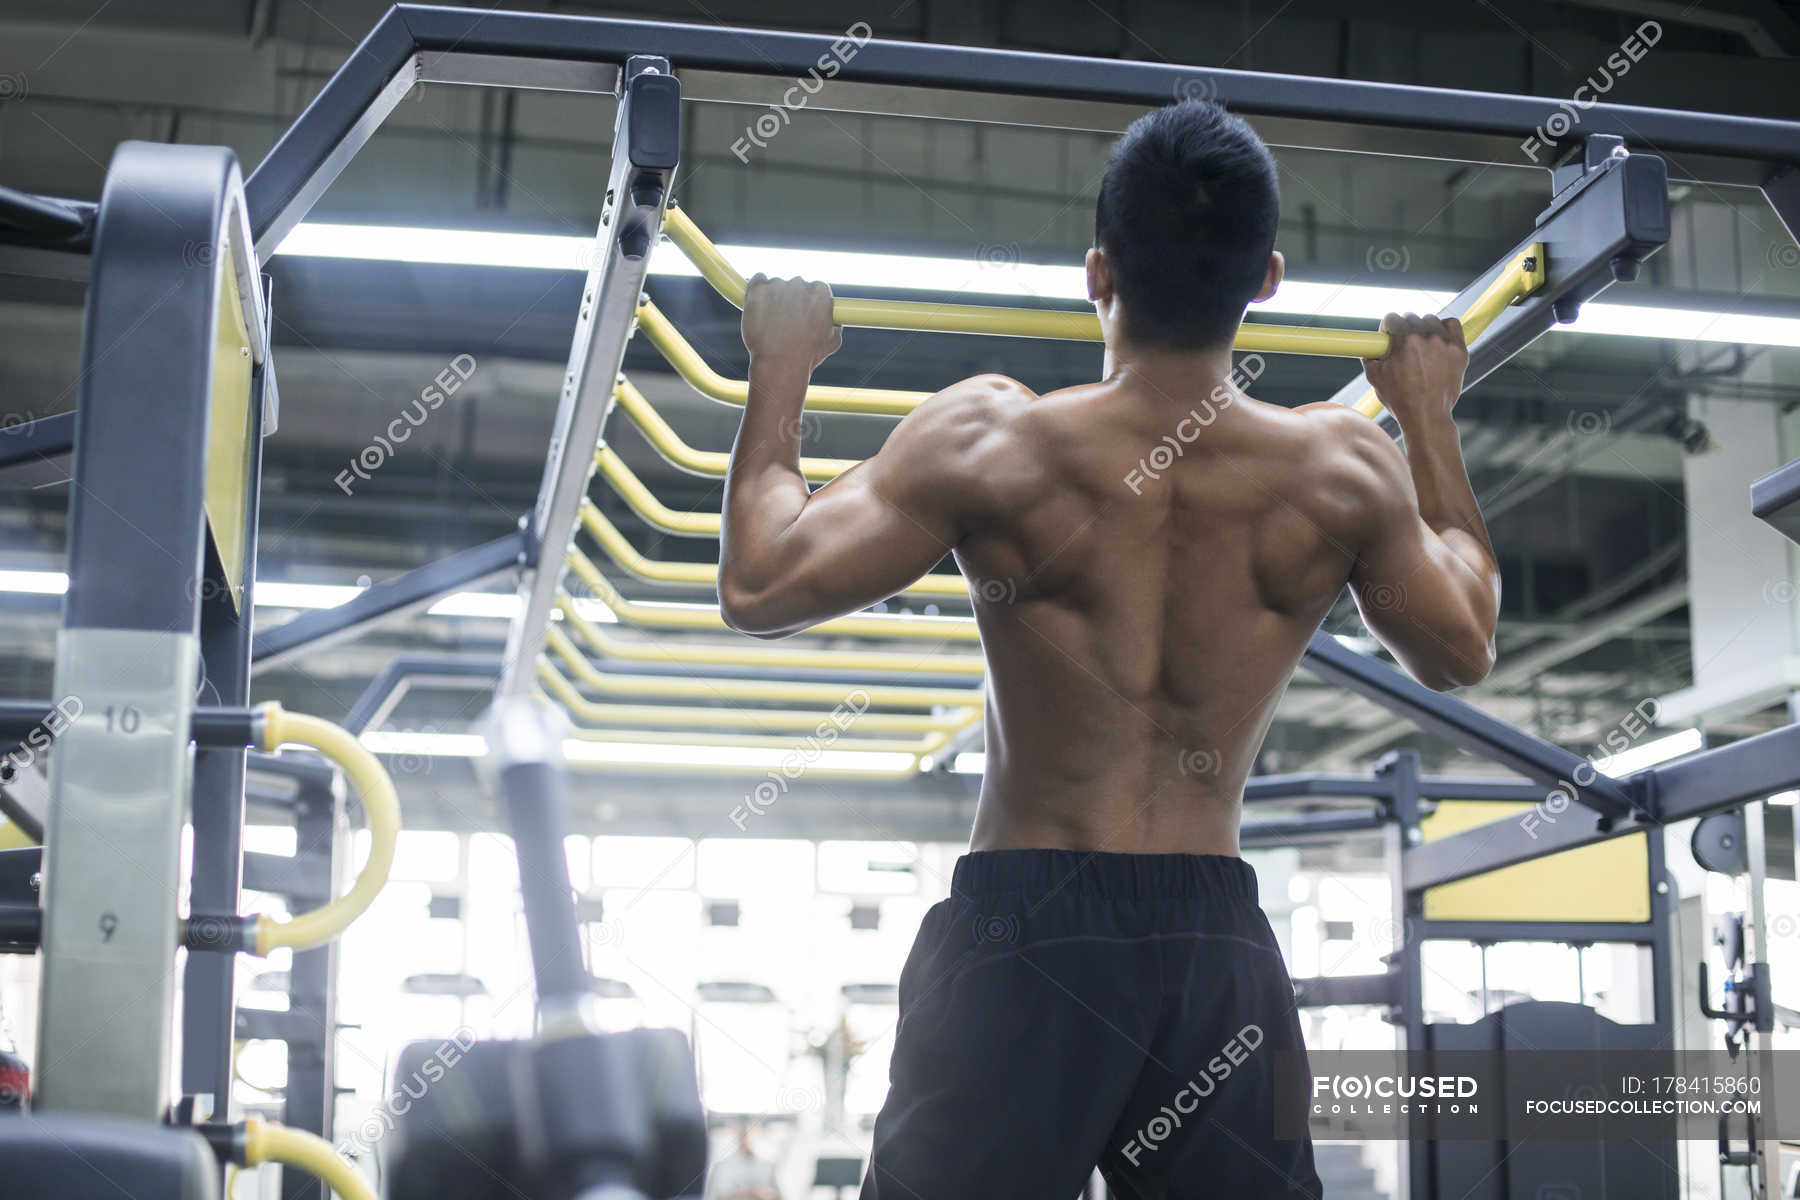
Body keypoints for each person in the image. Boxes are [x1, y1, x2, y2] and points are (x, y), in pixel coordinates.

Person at [717, 98, 1499, 1200]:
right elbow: (1462, 645)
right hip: (1208, 940)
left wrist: (781, 368)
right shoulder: (1341, 469)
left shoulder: (992, 439)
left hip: (1022, 930)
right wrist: (1426, 417)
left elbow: (760, 583)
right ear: (1265, 278)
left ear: (1098, 273)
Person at [706, 1120, 781, 1200]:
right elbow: (720, 1196)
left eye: (753, 1135)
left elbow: (777, 1195)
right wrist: (752, 1192)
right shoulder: (724, 1166)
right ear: (739, 1138)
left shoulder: (768, 1165)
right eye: (745, 1136)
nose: (749, 1140)